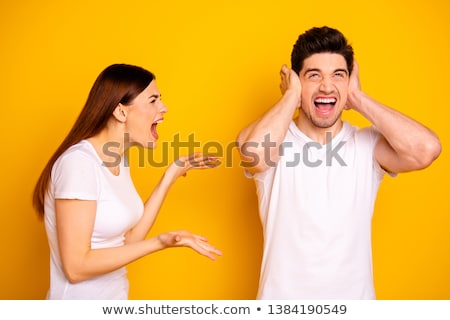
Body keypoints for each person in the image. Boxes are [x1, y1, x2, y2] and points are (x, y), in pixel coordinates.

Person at [236, 26, 441, 299]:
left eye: (338, 75)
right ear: (297, 82)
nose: (326, 86)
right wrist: (289, 97)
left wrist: (356, 98)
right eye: (313, 75)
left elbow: (426, 149)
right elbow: (254, 155)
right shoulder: (274, 141)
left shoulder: (367, 145)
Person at [32, 63, 222, 299]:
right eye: (153, 100)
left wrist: (170, 176)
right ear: (121, 112)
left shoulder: (119, 160)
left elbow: (128, 241)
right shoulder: (78, 164)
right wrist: (160, 242)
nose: (164, 108)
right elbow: (76, 268)